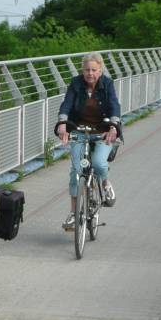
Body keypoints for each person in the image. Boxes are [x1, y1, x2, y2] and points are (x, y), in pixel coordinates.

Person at [55, 52, 121, 231]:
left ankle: (105, 184)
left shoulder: (107, 84)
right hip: (79, 131)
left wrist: (113, 126)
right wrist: (62, 123)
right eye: (87, 70)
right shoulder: (76, 84)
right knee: (77, 171)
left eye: (94, 70)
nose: (90, 73)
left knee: (99, 164)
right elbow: (67, 104)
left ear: (100, 70)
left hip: (102, 131)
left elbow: (114, 105)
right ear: (82, 71)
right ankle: (73, 213)